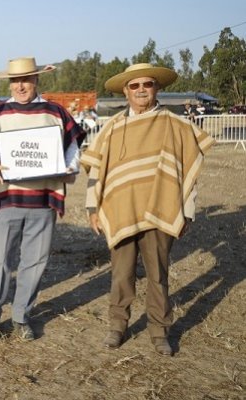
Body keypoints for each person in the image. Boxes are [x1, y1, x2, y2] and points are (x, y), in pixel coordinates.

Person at [80, 63, 214, 356]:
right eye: (135, 86)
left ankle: (159, 330)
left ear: (157, 88)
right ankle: (117, 326)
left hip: (160, 211)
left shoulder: (174, 125)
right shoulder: (113, 126)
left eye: (147, 84)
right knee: (121, 274)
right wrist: (93, 207)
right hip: (120, 210)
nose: (141, 90)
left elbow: (188, 172)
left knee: (158, 275)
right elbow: (96, 170)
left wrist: (187, 211)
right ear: (126, 91)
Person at [0, 57, 86, 341]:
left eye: (26, 79)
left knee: (35, 261)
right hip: (7, 197)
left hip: (43, 199)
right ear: (9, 83)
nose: (21, 85)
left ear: (36, 80)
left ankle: (21, 316)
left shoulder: (55, 112)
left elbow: (72, 146)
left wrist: (70, 167)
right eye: (16, 80)